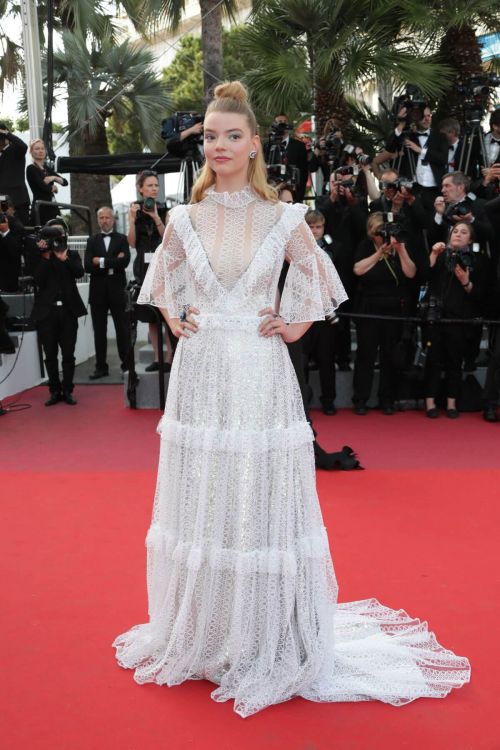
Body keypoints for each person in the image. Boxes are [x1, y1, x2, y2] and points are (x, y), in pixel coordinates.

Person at [113, 81, 469, 717]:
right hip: (201, 377)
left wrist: (295, 324)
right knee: (211, 492)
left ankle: (267, 631)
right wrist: (175, 320)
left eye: (232, 135)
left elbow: (320, 278)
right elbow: (161, 281)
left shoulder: (282, 215)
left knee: (255, 492)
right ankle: (211, 629)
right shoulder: (185, 218)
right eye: (211, 136)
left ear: (254, 145)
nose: (220, 145)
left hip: (258, 371)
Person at [351, 212, 418, 415]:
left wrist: (401, 248)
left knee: (390, 355)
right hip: (370, 308)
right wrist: (379, 253)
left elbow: (411, 273)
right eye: (380, 233)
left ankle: (387, 399)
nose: (384, 237)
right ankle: (360, 399)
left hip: (393, 310)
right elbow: (357, 269)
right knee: (366, 355)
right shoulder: (366, 246)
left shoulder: (399, 248)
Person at [423, 222, 486, 418]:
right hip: (436, 316)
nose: (458, 234)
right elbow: (423, 278)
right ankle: (430, 402)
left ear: (471, 239)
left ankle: (451, 403)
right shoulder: (441, 254)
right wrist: (433, 256)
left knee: (454, 361)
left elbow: (481, 296)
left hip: (460, 319)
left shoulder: (476, 260)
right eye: (455, 231)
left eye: (463, 232)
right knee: (432, 361)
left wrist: (465, 282)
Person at [31, 219, 87, 405]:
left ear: (65, 235)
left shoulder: (70, 253)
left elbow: (80, 273)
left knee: (69, 353)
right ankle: (54, 390)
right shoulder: (40, 255)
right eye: (52, 234)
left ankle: (68, 389)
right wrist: (46, 256)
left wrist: (66, 259)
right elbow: (38, 281)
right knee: (50, 354)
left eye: (59, 233)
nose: (56, 237)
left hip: (68, 311)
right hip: (46, 313)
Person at [127, 170, 170, 372]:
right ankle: (158, 358)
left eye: (156, 185)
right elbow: (133, 243)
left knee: (168, 318)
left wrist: (155, 217)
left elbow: (168, 240)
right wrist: (130, 220)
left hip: (164, 268)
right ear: (140, 188)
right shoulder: (134, 211)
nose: (154, 189)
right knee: (151, 318)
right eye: (150, 185)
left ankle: (170, 358)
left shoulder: (165, 209)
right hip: (143, 270)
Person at [84, 206, 131, 379]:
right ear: (98, 220)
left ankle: (126, 366)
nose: (104, 220)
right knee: (99, 330)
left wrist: (100, 261)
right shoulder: (92, 240)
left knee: (122, 329)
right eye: (101, 217)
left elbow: (124, 262)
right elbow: (88, 265)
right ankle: (101, 367)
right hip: (97, 291)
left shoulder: (122, 239)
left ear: (113, 219)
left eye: (107, 217)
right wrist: (112, 262)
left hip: (117, 290)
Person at [302, 210, 340, 415]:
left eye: (319, 227)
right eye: (311, 227)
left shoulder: (331, 246)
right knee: (303, 360)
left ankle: (329, 400)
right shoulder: (297, 247)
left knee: (327, 359)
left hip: (326, 312)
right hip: (304, 312)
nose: (315, 231)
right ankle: (302, 400)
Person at [26, 139, 68, 225]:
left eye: (42, 148)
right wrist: (52, 187)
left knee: (58, 232)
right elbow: (43, 187)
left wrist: (53, 177)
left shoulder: (47, 169)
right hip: (41, 208)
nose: (40, 151)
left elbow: (65, 182)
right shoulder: (31, 168)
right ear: (31, 152)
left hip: (52, 206)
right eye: (37, 149)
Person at [0, 122, 30, 224]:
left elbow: (23, 146)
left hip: (19, 200)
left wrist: (6, 133)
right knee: (6, 229)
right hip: (3, 200)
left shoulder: (15, 150)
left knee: (23, 230)